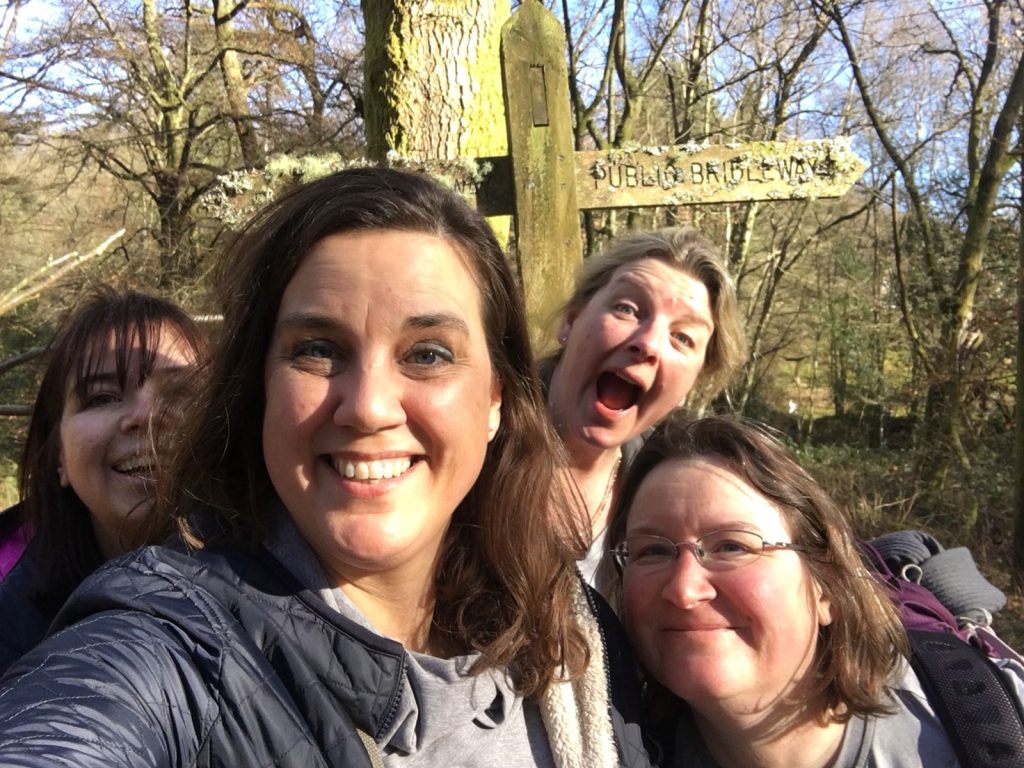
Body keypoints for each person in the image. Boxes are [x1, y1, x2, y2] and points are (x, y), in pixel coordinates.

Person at [0, 168, 650, 768]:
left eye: (427, 354)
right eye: (316, 349)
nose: (368, 406)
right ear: (257, 393)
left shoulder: (574, 628)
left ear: (495, 402)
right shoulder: (173, 646)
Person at [604, 415, 1024, 768]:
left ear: (825, 586)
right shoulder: (612, 749)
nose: (683, 589)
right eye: (653, 550)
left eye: (732, 546)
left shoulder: (991, 723)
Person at [0, 287, 207, 673]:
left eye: (181, 393)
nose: (145, 417)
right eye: (102, 397)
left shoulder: (305, 582)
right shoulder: (11, 626)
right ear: (59, 456)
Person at [539, 228, 746, 582]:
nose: (648, 343)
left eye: (682, 338)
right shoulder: (471, 438)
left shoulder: (672, 498)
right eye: (627, 309)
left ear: (690, 385)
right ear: (570, 321)